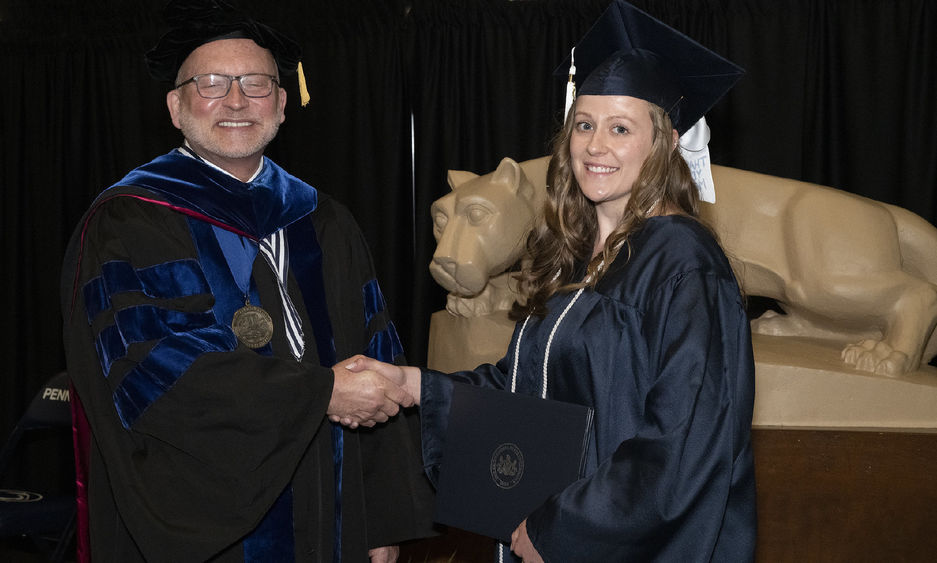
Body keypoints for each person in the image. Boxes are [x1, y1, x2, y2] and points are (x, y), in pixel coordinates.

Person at [343, 1, 756, 561]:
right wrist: (415, 384)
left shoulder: (682, 260)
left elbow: (682, 443)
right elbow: (525, 391)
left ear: (663, 141)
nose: (595, 145)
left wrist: (562, 528)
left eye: (620, 128)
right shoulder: (577, 257)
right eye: (584, 125)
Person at [59, 1, 433, 561]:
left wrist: (380, 516)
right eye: (211, 83)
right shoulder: (131, 221)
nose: (236, 101)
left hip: (329, 513)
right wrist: (323, 393)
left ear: (282, 104)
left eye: (256, 84)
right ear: (175, 105)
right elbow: (159, 373)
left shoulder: (324, 220)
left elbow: (375, 351)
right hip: (203, 520)